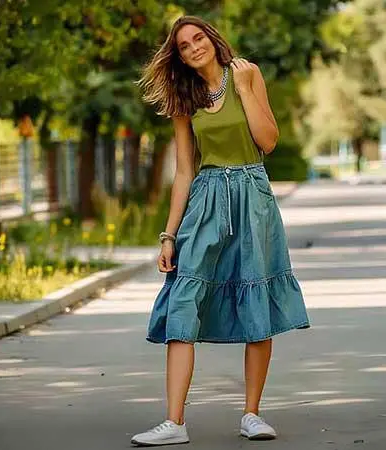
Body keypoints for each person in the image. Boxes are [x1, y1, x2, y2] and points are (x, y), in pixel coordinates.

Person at [132, 15, 310, 447]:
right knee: (183, 300)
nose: (194, 47)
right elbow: (184, 171)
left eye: (198, 38)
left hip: (252, 195)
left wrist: (246, 90)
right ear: (179, 57)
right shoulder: (184, 98)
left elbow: (268, 141)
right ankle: (174, 422)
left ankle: (252, 414)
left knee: (256, 300)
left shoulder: (246, 74)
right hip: (206, 201)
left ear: (211, 39)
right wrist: (169, 235)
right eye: (184, 45)